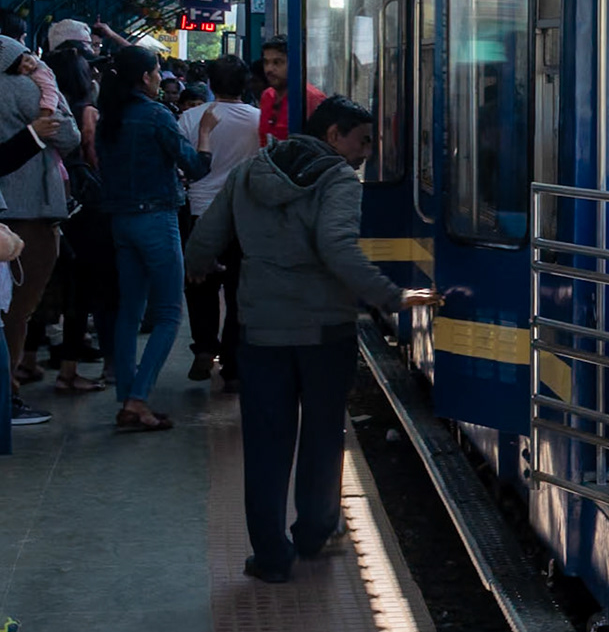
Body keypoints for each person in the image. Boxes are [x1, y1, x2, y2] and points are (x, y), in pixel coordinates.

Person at [187, 95, 434, 583]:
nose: (366, 152)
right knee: (322, 435)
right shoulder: (338, 179)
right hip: (324, 331)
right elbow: (337, 248)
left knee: (265, 443)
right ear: (332, 136)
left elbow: (205, 235)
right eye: (361, 141)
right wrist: (391, 296)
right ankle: (315, 529)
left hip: (259, 331)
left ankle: (271, 556)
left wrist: (200, 267)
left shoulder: (249, 171)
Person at [95, 45, 215, 432]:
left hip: (121, 222)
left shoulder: (108, 118)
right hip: (157, 221)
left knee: (130, 311)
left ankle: (127, 395)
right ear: (145, 77)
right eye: (156, 71)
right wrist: (206, 135)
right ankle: (138, 398)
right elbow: (195, 167)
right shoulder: (156, 116)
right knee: (167, 314)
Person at [0, 37, 79, 424]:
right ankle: (7, 394)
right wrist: (46, 80)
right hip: (27, 214)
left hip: (6, 211)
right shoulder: (23, 88)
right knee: (16, 309)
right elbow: (68, 135)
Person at [177, 56, 258, 388]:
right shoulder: (258, 120)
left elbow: (183, 167)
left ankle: (204, 347)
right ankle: (233, 364)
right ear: (246, 84)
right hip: (245, 213)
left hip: (200, 210)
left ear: (210, 84)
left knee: (199, 285)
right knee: (239, 288)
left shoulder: (190, 118)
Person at [42, 44, 112, 395]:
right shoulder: (84, 112)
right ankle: (68, 371)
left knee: (46, 284)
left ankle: (25, 362)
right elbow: (92, 154)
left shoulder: (41, 106)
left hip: (49, 200)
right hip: (82, 206)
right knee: (81, 288)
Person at [256, 36, 325, 145]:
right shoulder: (267, 96)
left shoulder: (311, 98)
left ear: (294, 64)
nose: (269, 69)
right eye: (266, 62)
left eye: (277, 62)